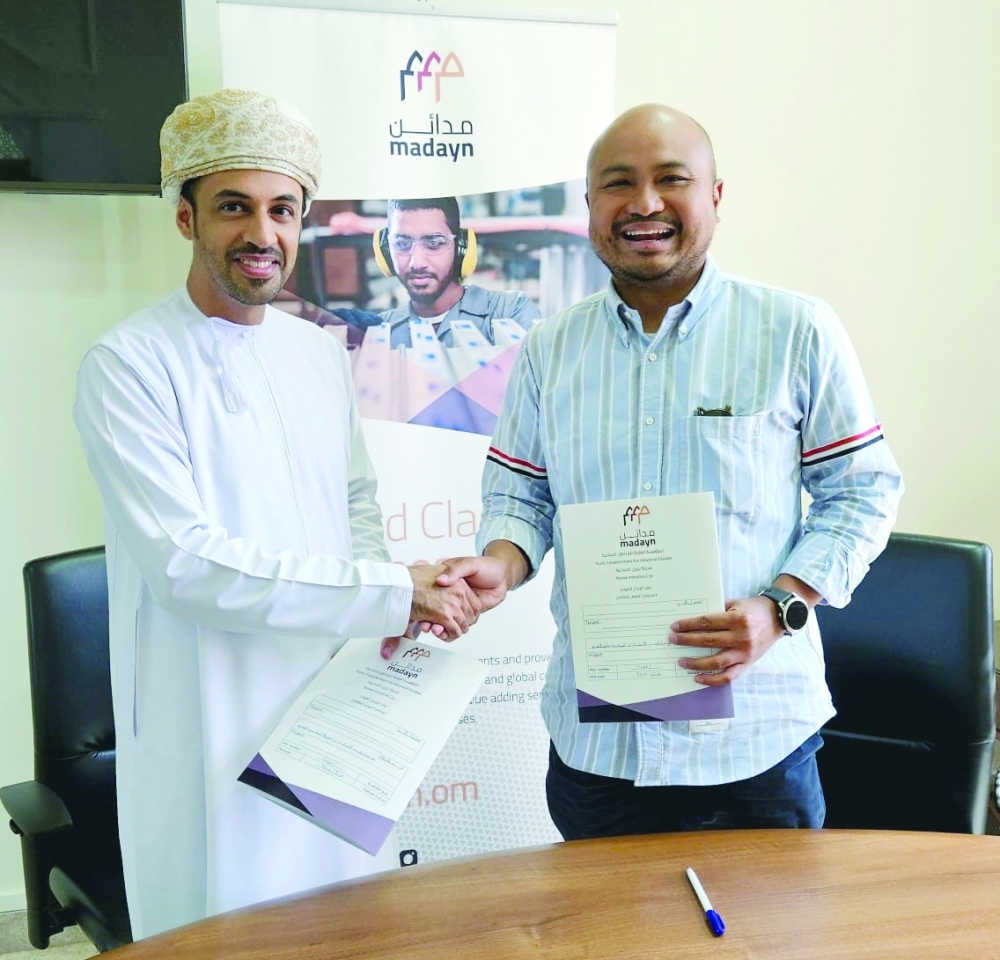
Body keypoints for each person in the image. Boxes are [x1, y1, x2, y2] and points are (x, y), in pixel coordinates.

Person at [423, 103, 904, 839]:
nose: (644, 203)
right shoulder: (551, 349)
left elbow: (863, 492)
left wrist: (782, 606)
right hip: (599, 752)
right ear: (590, 206)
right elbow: (522, 493)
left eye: (671, 179)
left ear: (715, 195)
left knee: (764, 951)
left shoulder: (796, 330)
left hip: (757, 744)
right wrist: (500, 562)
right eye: (618, 184)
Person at [73, 89, 482, 939]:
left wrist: (386, 615)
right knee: (225, 925)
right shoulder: (127, 364)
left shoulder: (316, 351)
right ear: (185, 217)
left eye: (282, 210)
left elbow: (356, 503)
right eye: (234, 207)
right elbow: (186, 565)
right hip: (208, 706)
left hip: (334, 702)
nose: (262, 233)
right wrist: (387, 591)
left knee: (338, 926)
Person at [336, 196, 539, 347]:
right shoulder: (382, 330)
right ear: (385, 251)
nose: (417, 262)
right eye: (402, 243)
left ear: (461, 247)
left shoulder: (510, 312)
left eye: (434, 243)